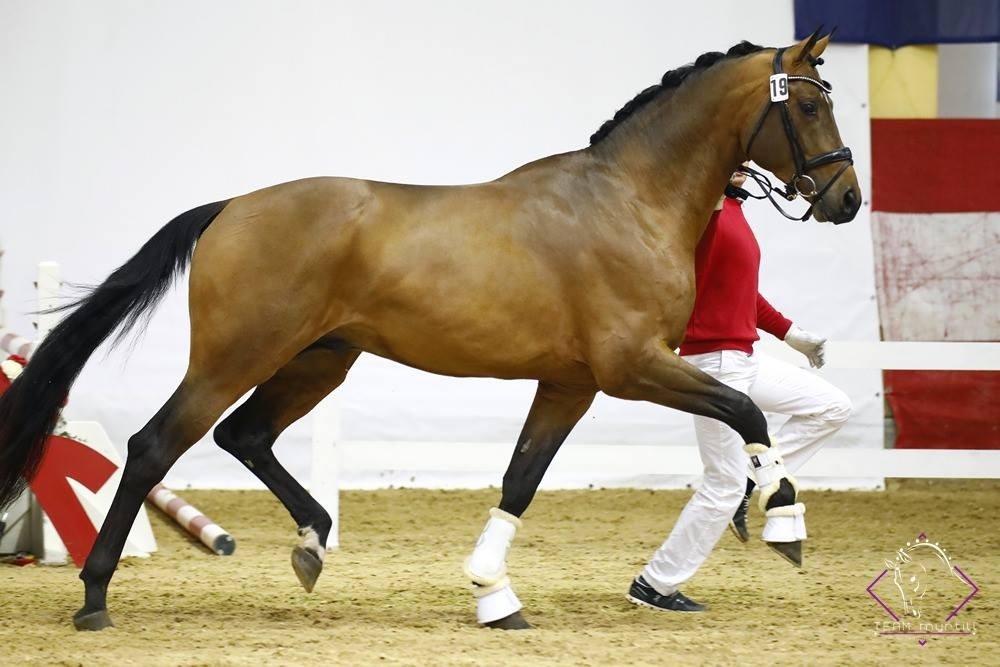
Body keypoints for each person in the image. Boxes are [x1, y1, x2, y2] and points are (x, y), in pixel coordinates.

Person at [626, 167, 852, 613]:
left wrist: (790, 334)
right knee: (721, 484)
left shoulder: (733, 210)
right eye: (736, 162)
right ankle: (655, 585)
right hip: (714, 363)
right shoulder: (702, 213)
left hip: (744, 358)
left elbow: (742, 290)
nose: (746, 169)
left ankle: (755, 481)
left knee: (832, 406)